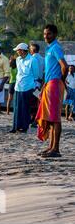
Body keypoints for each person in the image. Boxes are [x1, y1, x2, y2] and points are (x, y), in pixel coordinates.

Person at [36, 24, 68, 158]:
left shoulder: (55, 48)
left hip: (55, 84)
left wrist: (60, 80)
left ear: (54, 34)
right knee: (49, 117)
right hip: (49, 84)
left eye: (48, 34)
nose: (45, 36)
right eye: (44, 34)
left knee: (55, 118)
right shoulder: (49, 48)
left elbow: (64, 66)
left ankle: (56, 149)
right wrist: (45, 84)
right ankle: (50, 147)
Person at [10, 44, 40, 133]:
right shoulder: (18, 59)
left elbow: (36, 75)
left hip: (28, 87)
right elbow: (19, 72)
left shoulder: (33, 60)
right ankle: (15, 126)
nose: (17, 52)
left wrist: (36, 87)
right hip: (18, 86)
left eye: (18, 50)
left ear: (22, 50)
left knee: (25, 108)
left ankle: (24, 127)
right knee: (16, 108)